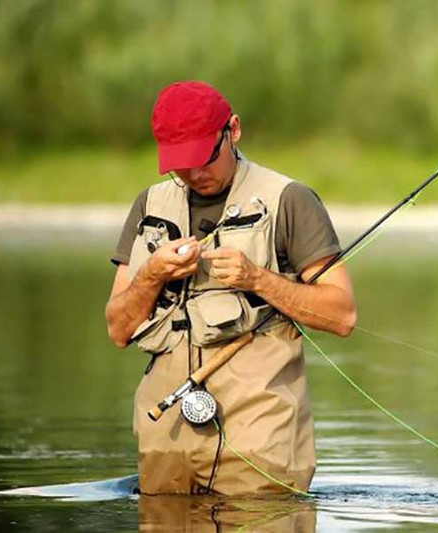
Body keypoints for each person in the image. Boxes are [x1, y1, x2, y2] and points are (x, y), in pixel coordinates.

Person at [105, 80, 356, 496]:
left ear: (233, 130)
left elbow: (343, 315)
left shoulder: (290, 200)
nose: (195, 174)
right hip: (165, 439)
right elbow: (118, 330)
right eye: (180, 164)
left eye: (205, 158)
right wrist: (150, 274)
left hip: (261, 442)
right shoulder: (148, 205)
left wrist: (257, 278)